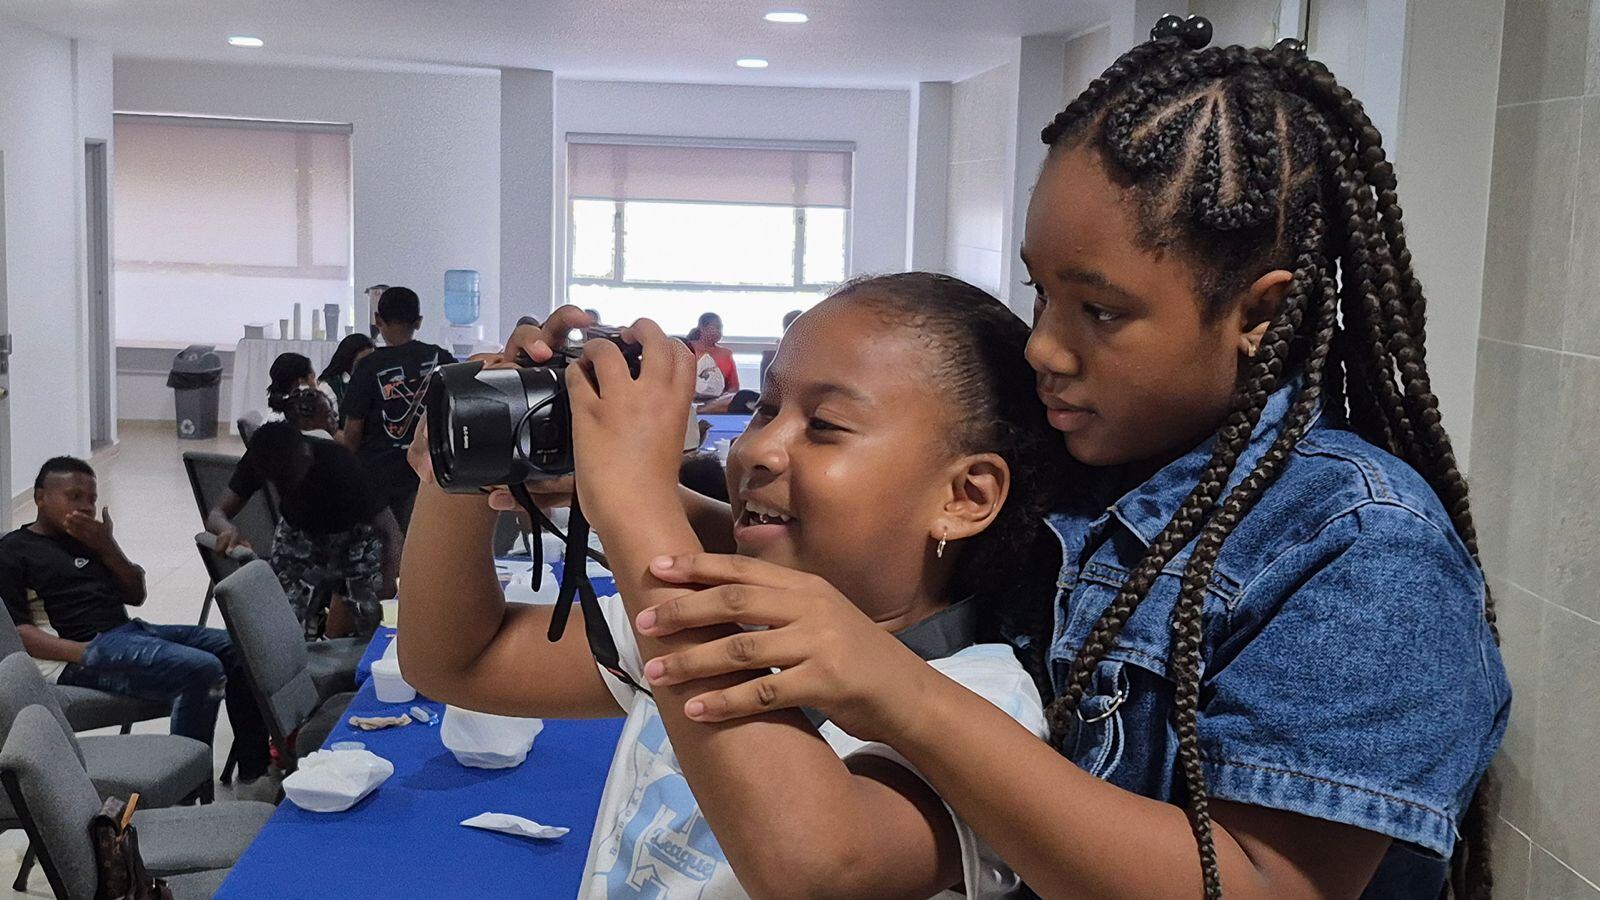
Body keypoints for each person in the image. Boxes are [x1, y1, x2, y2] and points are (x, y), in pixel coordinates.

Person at [532, 23, 1512, 900]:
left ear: (1256, 313)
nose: (1044, 345)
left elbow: (1256, 883)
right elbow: (809, 534)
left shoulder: (1365, 549)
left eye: (1100, 311)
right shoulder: (1105, 472)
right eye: (1040, 293)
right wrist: (600, 474)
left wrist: (902, 693)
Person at [399, 274, 1063, 898]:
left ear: (965, 496)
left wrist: (637, 501)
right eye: (766, 409)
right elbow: (459, 660)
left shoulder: (983, 703)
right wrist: (467, 460)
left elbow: (818, 866)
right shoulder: (731, 617)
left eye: (824, 426)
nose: (758, 450)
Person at [0, 458, 273, 789]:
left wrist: (107, 547)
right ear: (40, 498)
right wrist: (86, 652)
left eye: (91, 498)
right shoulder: (14, 551)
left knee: (238, 647)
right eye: (74, 497)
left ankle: (254, 770)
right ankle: (186, 790)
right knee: (201, 669)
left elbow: (136, 593)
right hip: (75, 654)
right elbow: (18, 634)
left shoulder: (91, 539)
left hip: (128, 634)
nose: (86, 507)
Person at [208, 386, 400, 638]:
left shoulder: (340, 465)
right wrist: (227, 529)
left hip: (353, 537)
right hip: (298, 536)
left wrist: (388, 583)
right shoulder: (262, 456)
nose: (291, 482)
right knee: (283, 626)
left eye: (296, 473)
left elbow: (391, 532)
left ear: (306, 452)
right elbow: (217, 513)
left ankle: (336, 659)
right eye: (282, 479)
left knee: (362, 629)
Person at [340, 286, 455, 532]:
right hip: (431, 474)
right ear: (419, 322)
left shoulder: (368, 367)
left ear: (378, 320)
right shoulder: (441, 358)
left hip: (378, 478)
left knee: (388, 547)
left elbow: (353, 433)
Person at [318, 333, 376, 414]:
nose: (368, 366)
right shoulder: (330, 387)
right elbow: (329, 424)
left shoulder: (377, 382)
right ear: (348, 360)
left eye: (372, 361)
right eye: (362, 362)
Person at [688, 312, 738, 393]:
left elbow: (734, 387)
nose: (719, 332)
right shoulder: (687, 348)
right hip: (688, 399)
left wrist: (719, 401)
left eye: (721, 328)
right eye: (717, 327)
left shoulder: (726, 354)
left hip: (719, 402)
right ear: (703, 328)